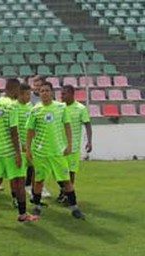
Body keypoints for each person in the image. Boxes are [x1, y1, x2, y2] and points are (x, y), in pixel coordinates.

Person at [0, 79, 39, 225]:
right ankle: (23, 214)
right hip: (10, 152)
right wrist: (18, 154)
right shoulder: (12, 106)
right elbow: (14, 131)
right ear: (15, 89)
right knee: (19, 182)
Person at [26, 82, 85, 219]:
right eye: (42, 91)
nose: (45, 93)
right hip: (41, 153)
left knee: (66, 180)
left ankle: (75, 208)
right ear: (39, 94)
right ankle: (36, 206)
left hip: (58, 152)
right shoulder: (35, 110)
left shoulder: (61, 107)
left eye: (47, 90)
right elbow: (30, 131)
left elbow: (67, 126)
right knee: (39, 181)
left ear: (52, 93)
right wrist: (28, 149)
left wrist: (69, 145)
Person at [58, 84, 92, 203]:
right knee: (58, 171)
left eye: (64, 94)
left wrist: (89, 141)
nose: (61, 96)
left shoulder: (80, 108)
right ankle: (64, 190)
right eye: (61, 93)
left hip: (73, 146)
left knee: (71, 172)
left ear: (71, 94)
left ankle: (68, 194)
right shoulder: (59, 107)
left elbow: (87, 124)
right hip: (59, 145)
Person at [15, 83, 34, 200]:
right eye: (27, 94)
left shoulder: (30, 106)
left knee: (33, 167)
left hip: (30, 144)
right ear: (21, 94)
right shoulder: (15, 107)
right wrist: (20, 144)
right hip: (21, 146)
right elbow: (14, 129)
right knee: (19, 174)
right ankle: (17, 196)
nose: (29, 97)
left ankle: (31, 190)